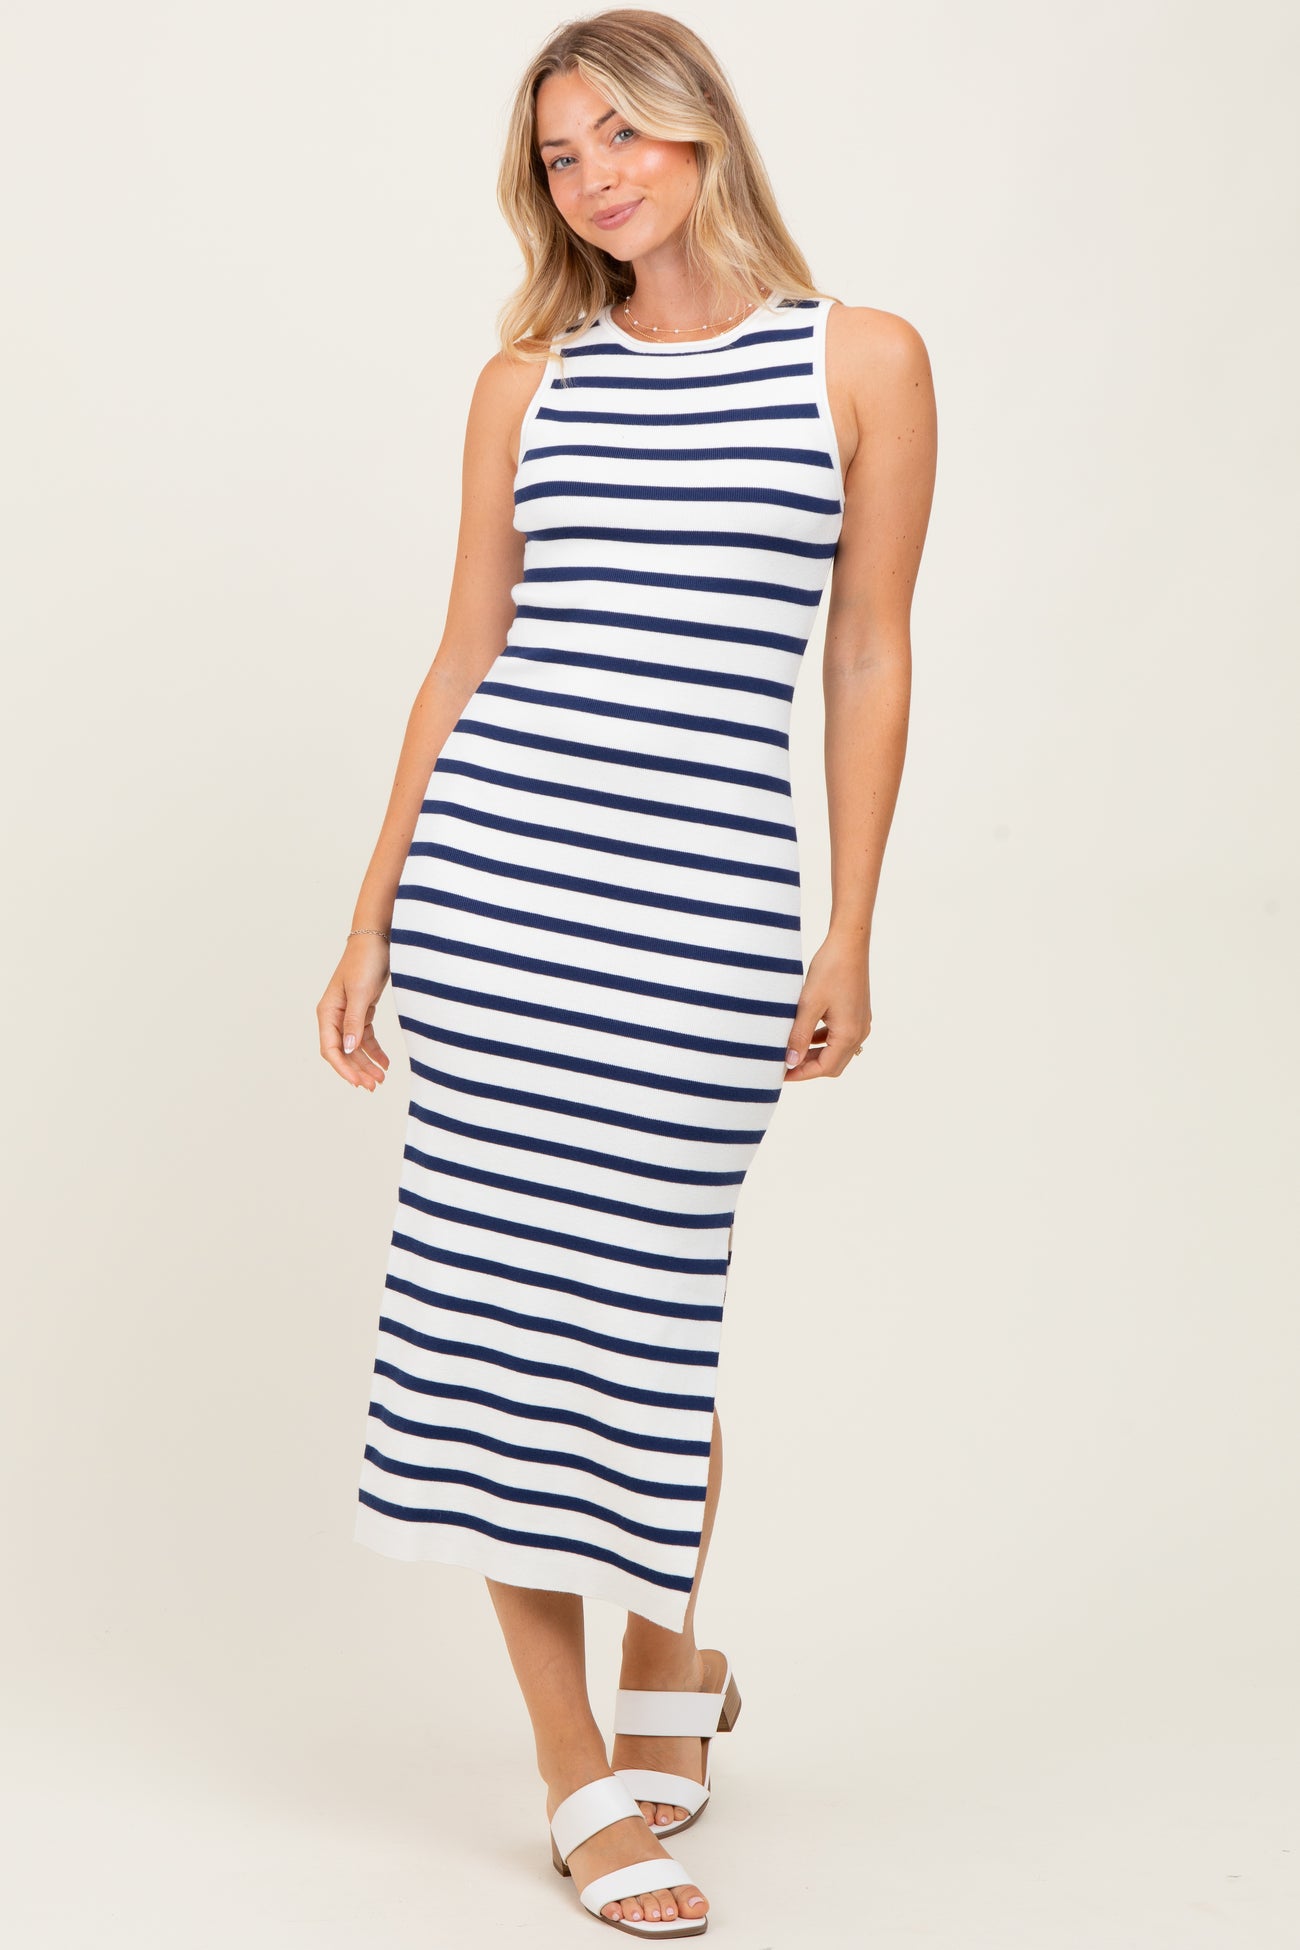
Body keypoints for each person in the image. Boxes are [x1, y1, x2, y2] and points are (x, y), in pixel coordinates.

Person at [317, 9, 936, 1936]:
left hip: (705, 921)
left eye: (621, 137)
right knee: (498, 1318)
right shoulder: (527, 382)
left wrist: (850, 922)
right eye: (559, 156)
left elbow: (868, 652)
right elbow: (465, 650)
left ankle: (671, 1657)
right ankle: (572, 1757)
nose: (594, 179)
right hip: (499, 901)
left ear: (701, 131)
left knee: (648, 1314)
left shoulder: (861, 360)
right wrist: (374, 910)